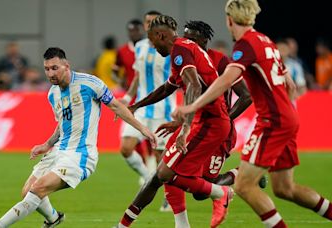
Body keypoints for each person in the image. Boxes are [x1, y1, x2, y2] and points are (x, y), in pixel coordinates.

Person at [172, 0, 332, 227]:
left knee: (244, 186)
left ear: (229, 20)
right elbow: (289, 82)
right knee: (286, 189)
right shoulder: (266, 40)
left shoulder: (245, 45)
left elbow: (227, 79)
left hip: (272, 121)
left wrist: (191, 106)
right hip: (288, 116)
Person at [0, 47, 157, 228]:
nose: (50, 73)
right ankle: (54, 218)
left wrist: (142, 128)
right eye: (47, 69)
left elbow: (116, 106)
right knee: (26, 192)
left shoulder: (90, 83)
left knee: (37, 189)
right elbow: (63, 124)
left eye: (55, 68)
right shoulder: (52, 94)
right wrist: (47, 144)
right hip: (59, 151)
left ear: (66, 66)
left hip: (80, 155)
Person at [116, 15, 234, 228]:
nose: (152, 46)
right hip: (201, 120)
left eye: (152, 41)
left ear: (160, 35)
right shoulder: (182, 50)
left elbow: (194, 86)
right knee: (158, 176)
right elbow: (167, 88)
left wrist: (184, 129)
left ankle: (221, 192)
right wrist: (135, 106)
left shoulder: (180, 50)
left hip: (210, 123)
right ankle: (123, 225)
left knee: (168, 174)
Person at [155, 20, 253, 228]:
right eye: (185, 35)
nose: (187, 40)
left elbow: (245, 97)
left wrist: (225, 120)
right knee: (191, 182)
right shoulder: (187, 59)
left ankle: (243, 174)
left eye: (192, 37)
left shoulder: (220, 61)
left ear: (204, 39)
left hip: (218, 130)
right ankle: (238, 178)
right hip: (199, 126)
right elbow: (170, 88)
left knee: (199, 189)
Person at [118, 10, 176, 212]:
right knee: (126, 147)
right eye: (147, 22)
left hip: (164, 110)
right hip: (142, 109)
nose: (149, 25)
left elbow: (178, 79)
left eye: (154, 22)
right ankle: (146, 177)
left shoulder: (170, 48)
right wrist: (126, 98)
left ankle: (169, 198)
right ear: (144, 25)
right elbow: (136, 77)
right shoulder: (140, 47)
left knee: (163, 160)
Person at [112, 19, 145, 90]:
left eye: (136, 30)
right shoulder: (122, 50)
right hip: (130, 91)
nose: (134, 33)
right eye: (131, 31)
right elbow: (114, 71)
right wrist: (120, 82)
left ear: (143, 31)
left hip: (148, 91)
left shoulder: (151, 48)